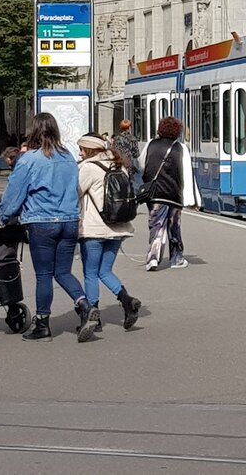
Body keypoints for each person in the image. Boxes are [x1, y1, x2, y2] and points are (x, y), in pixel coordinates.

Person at [0, 112, 93, 342]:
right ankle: (85, 306)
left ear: (34, 131)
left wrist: (3, 216)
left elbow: (14, 194)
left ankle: (42, 324)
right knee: (63, 271)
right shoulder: (68, 157)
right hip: (69, 221)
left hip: (41, 222)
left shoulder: (29, 159)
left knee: (45, 275)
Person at [76, 134, 142, 335]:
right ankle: (127, 301)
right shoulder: (118, 165)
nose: (79, 153)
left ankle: (92, 316)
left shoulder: (88, 168)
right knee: (104, 271)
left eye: (82, 149)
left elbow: (75, 193)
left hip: (94, 228)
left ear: (89, 150)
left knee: (90, 272)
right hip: (118, 227)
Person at [141, 116, 202, 271]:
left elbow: (142, 165)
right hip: (174, 194)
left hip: (155, 194)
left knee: (156, 225)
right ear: (177, 131)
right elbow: (187, 174)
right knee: (174, 226)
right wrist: (192, 199)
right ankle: (176, 258)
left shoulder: (150, 144)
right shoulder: (181, 148)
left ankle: (153, 258)